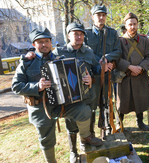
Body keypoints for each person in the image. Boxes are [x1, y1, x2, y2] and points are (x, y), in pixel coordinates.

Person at [12, 28, 102, 163]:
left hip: (62, 104)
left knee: (84, 110)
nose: (44, 45)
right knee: (47, 139)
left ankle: (85, 137)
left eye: (47, 41)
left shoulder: (61, 59)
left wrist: (88, 80)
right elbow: (16, 86)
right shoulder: (26, 63)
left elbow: (78, 76)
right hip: (40, 108)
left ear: (51, 43)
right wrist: (37, 86)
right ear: (34, 44)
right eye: (40, 42)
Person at [84, 4, 121, 136]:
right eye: (98, 15)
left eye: (103, 15)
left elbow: (118, 51)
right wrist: (100, 63)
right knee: (92, 105)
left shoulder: (112, 33)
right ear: (93, 17)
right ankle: (91, 133)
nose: (101, 17)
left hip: (108, 75)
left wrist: (107, 59)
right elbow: (86, 52)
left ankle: (107, 128)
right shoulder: (86, 34)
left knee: (107, 102)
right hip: (93, 76)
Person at [116, 12, 149, 131]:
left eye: (134, 24)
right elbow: (116, 58)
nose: (132, 27)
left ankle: (140, 122)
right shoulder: (119, 41)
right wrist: (129, 67)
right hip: (125, 75)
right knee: (122, 102)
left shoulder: (144, 40)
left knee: (140, 100)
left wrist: (141, 68)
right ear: (125, 26)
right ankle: (119, 123)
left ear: (137, 25)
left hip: (140, 75)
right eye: (130, 24)